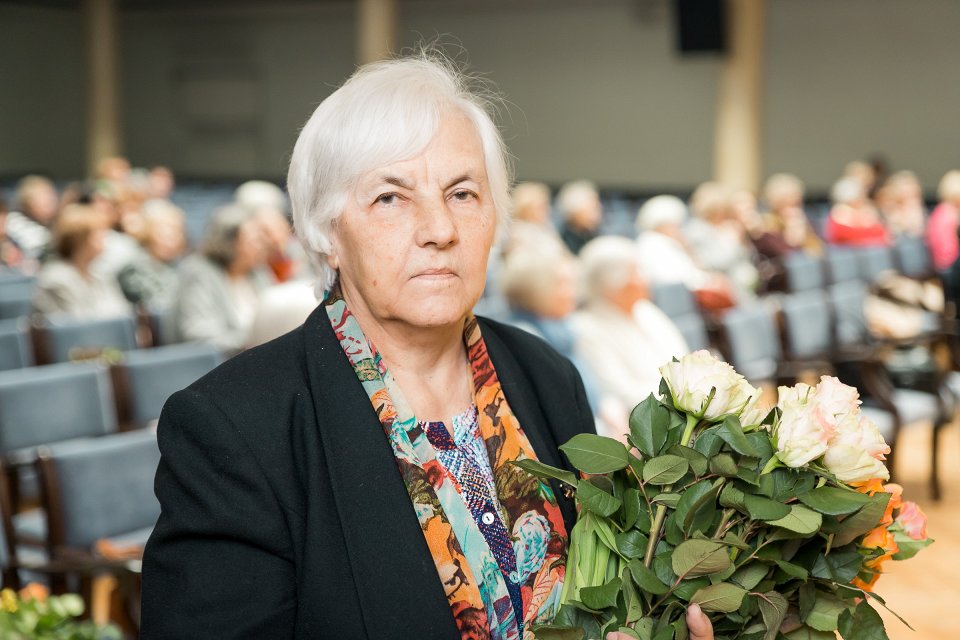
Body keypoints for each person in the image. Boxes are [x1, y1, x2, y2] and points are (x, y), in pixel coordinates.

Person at [140, 53, 714, 640]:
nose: (439, 230)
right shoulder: (234, 426)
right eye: (390, 198)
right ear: (326, 233)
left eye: (463, 193)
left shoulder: (545, 375)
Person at [170, 204, 270, 354]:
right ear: (229, 243)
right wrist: (253, 342)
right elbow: (199, 335)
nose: (261, 245)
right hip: (215, 367)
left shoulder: (258, 273)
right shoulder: (199, 272)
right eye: (253, 240)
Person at [31, 204, 133, 319]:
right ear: (80, 239)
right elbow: (78, 326)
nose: (104, 238)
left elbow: (123, 314)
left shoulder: (100, 275)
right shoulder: (55, 280)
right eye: (98, 233)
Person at [556, 180, 602, 255]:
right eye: (591, 209)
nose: (596, 215)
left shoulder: (593, 237)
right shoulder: (561, 242)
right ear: (573, 211)